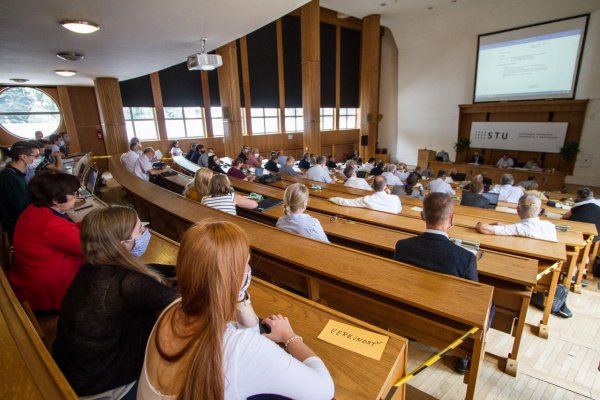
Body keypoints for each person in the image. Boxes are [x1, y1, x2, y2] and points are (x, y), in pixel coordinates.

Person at [137, 220, 334, 400]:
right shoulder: (238, 348)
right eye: (245, 263)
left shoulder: (171, 308)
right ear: (233, 278)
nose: (248, 268)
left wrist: (238, 296)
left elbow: (250, 334)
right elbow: (324, 390)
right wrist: (289, 336)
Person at [53, 206, 178, 400]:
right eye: (140, 230)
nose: (146, 231)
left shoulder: (93, 268)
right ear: (123, 244)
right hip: (106, 386)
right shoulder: (129, 284)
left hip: (76, 371)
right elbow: (183, 301)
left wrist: (173, 269)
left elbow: (141, 272)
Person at [393, 192, 489, 373]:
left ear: (422, 216)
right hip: (446, 319)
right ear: (452, 219)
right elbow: (473, 299)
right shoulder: (466, 258)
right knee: (488, 304)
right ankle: (465, 354)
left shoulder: (402, 245)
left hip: (409, 308)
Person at [8, 171, 84, 310]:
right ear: (55, 200)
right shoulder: (51, 224)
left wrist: (90, 222)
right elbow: (87, 248)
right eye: (73, 194)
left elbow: (68, 231)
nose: (76, 197)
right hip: (47, 291)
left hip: (29, 279)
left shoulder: (35, 209)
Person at [476, 194, 557, 241]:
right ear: (539, 211)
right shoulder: (550, 225)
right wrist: (504, 226)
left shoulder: (518, 228)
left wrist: (478, 224)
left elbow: (483, 228)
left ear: (517, 210)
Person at [0, 141, 38, 237]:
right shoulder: (10, 178)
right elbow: (23, 209)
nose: (37, 159)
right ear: (24, 157)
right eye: (35, 156)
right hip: (19, 227)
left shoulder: (14, 173)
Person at [330, 176, 402, 214]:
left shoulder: (367, 199)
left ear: (373, 187)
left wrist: (332, 198)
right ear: (385, 186)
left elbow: (346, 202)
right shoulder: (395, 198)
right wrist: (389, 195)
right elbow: (399, 210)